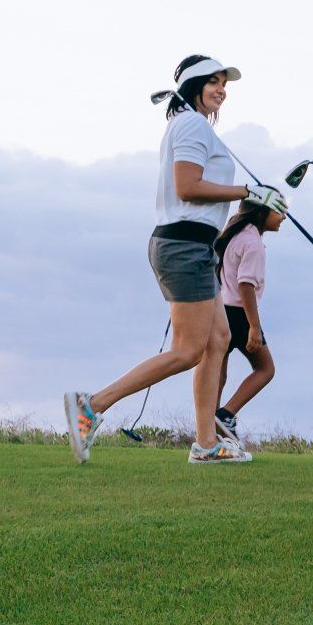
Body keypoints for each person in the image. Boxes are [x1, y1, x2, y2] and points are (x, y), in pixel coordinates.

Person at [63, 56, 287, 465]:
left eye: (225, 84)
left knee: (218, 340)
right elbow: (187, 187)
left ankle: (205, 444)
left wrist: (246, 195)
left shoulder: (193, 125)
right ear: (195, 85)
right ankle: (93, 404)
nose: (222, 89)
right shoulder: (190, 125)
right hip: (183, 244)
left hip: (195, 245)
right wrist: (246, 193)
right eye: (214, 82)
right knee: (187, 350)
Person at [213, 199, 285, 445]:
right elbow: (246, 285)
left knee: (216, 375)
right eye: (279, 210)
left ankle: (209, 435)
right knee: (265, 369)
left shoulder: (233, 236)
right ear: (262, 211)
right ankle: (225, 414)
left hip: (219, 310)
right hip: (239, 314)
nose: (284, 216)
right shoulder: (253, 243)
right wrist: (254, 326)